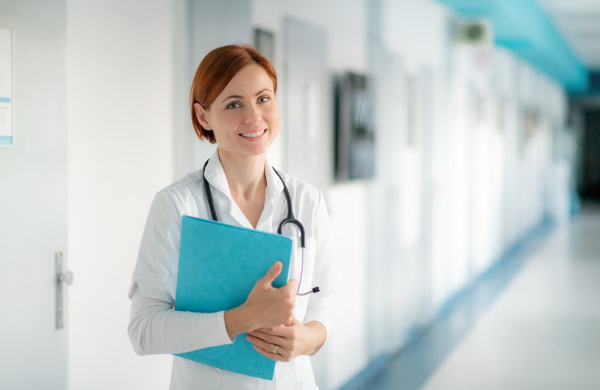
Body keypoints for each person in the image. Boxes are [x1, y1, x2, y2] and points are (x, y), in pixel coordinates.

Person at [128, 44, 342, 390]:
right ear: (203, 116)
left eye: (263, 98)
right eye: (233, 104)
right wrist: (240, 319)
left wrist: (308, 339)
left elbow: (321, 302)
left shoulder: (307, 201)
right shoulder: (177, 205)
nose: (254, 117)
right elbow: (144, 331)